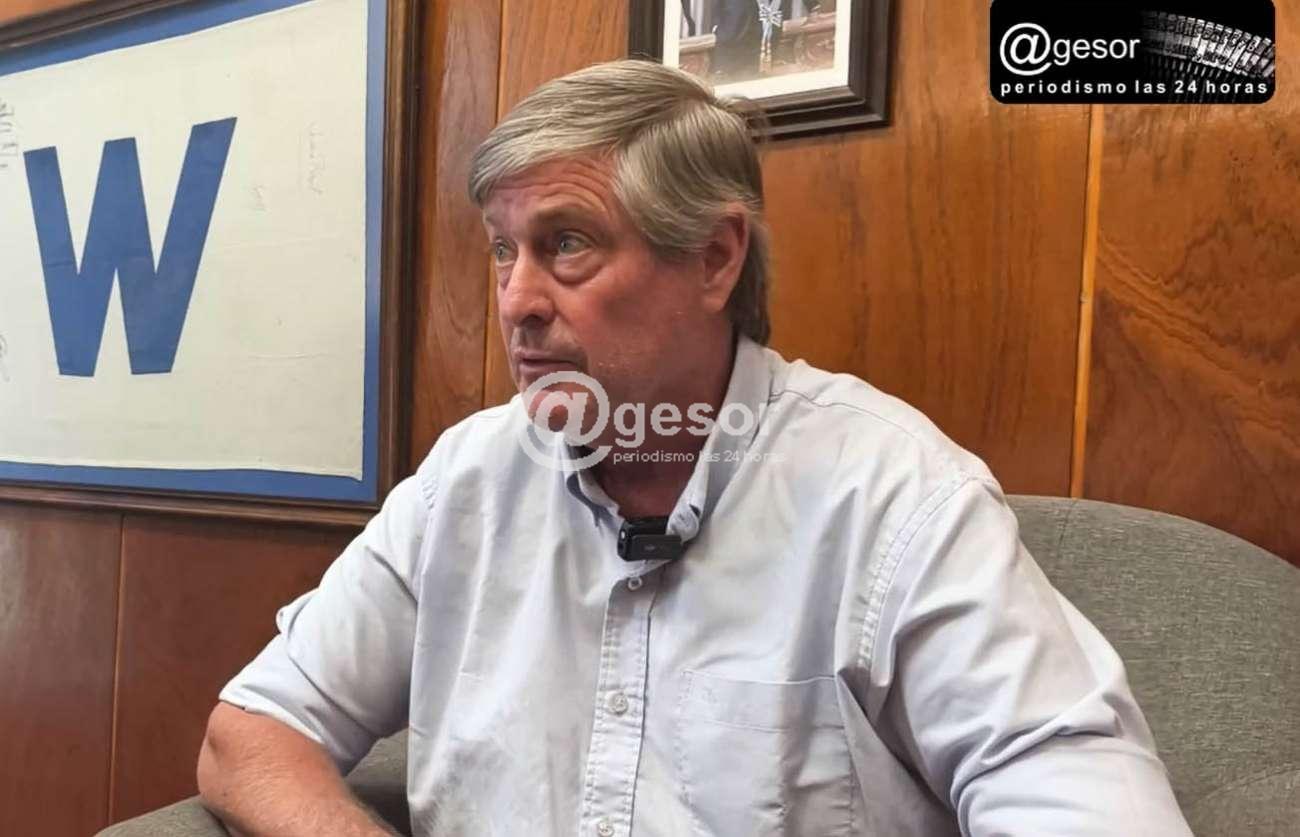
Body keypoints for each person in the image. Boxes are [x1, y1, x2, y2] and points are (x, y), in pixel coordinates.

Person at [196, 60, 1193, 837]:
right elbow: (250, 734)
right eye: (504, 248)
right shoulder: (467, 479)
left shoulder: (893, 497)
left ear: (714, 258)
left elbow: (1090, 805)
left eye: (567, 244)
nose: (516, 301)